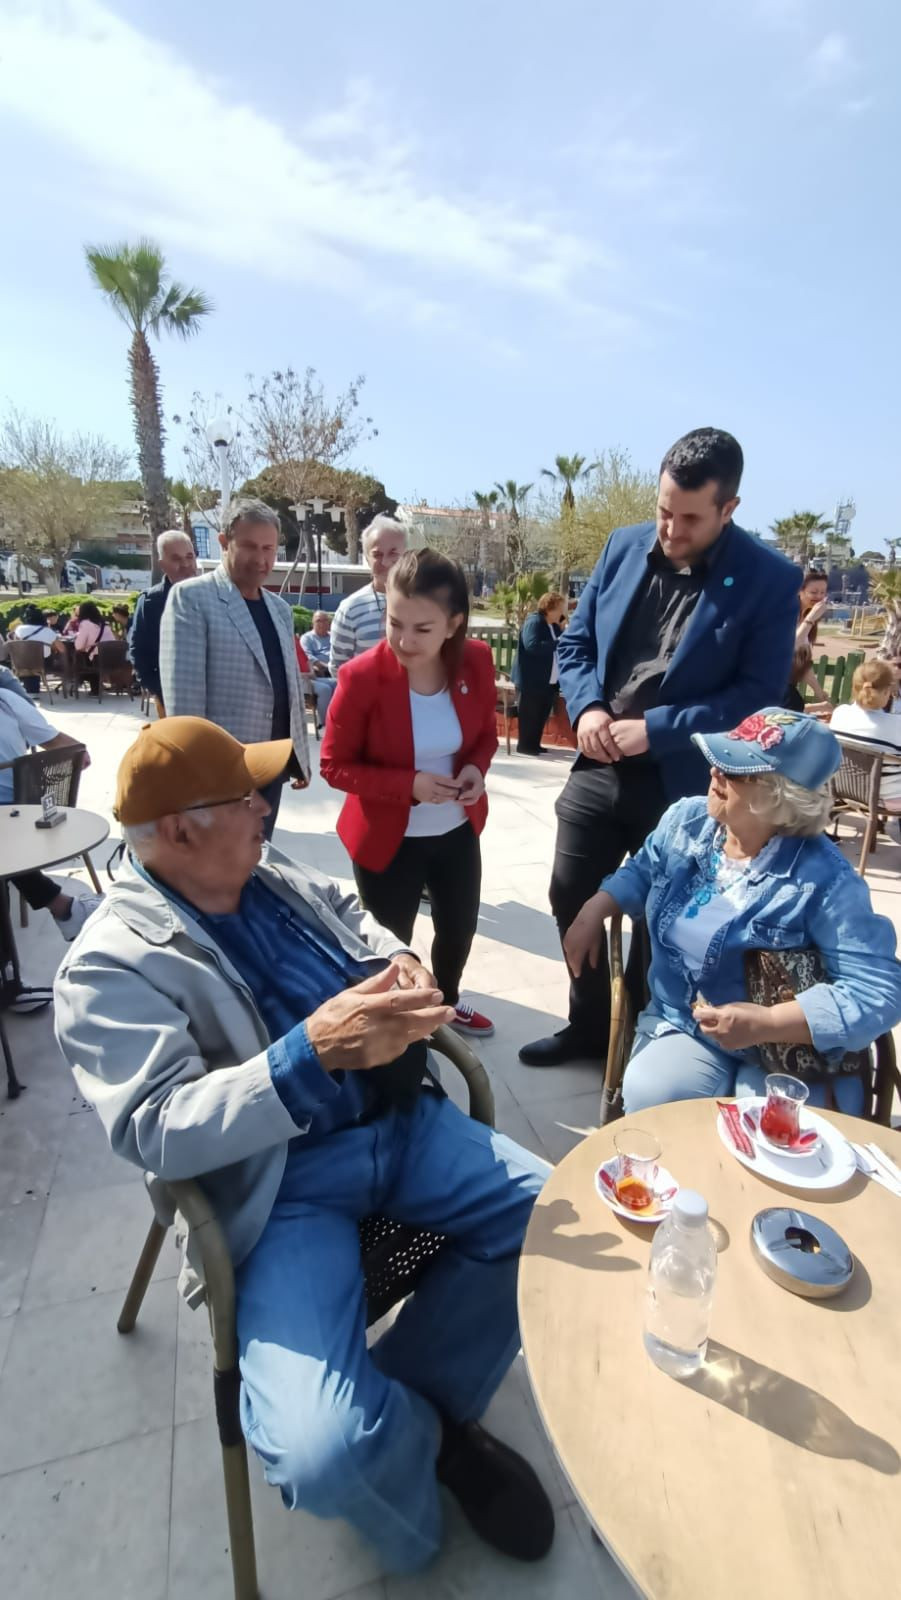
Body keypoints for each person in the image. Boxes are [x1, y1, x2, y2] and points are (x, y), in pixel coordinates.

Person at [53, 716, 553, 1573]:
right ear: (179, 832)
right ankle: (425, 1456)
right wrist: (308, 1055)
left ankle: (426, 1402)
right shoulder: (106, 967)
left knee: (555, 1223)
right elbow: (155, 1126)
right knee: (322, 1454)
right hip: (284, 1187)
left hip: (401, 1122)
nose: (265, 807)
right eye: (243, 796)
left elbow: (354, 914)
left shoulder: (262, 868)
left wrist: (401, 962)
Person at [519, 427, 801, 1069]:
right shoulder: (622, 546)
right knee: (572, 893)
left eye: (690, 519)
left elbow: (757, 695)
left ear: (729, 508)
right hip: (600, 763)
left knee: (664, 918)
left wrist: (659, 727)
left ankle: (643, 1041)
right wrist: (588, 707)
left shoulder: (768, 578)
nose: (670, 530)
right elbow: (577, 644)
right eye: (663, 511)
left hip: (690, 782)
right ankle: (589, 1026)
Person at [563, 710, 901, 1114]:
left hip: (787, 1046)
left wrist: (767, 1022)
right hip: (685, 1022)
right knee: (653, 1098)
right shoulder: (687, 821)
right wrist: (595, 908)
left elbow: (878, 992)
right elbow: (645, 868)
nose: (714, 772)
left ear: (780, 796)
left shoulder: (826, 880)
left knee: (769, 1129)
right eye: (717, 759)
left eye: (734, 769)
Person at [321, 549, 497, 1038]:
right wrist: (409, 785)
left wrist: (476, 770)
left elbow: (485, 735)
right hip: (387, 839)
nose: (404, 640)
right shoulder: (362, 677)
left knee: (458, 929)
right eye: (395, 623)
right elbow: (333, 765)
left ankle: (446, 1006)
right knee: (391, 945)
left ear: (453, 624)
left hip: (456, 830)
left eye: (422, 629)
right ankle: (397, 1028)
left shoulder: (475, 662)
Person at [160, 499, 310, 837]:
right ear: (224, 542)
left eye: (269, 548)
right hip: (222, 775)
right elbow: (184, 708)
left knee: (257, 852)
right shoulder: (192, 599)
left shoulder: (279, 610)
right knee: (221, 861)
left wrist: (298, 757)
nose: (261, 559)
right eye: (249, 546)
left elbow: (288, 686)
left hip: (272, 765)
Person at [0, 688, 102, 991]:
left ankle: (7, 971)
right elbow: (67, 746)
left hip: (17, 816)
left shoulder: (6, 699)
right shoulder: (6, 699)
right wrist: (77, 752)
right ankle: (63, 908)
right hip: (27, 810)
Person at [129, 529, 198, 714]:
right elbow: (138, 651)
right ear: (162, 564)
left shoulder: (214, 595)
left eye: (189, 556)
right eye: (176, 559)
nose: (185, 564)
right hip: (170, 698)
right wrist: (159, 690)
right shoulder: (151, 602)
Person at [329, 516, 407, 675]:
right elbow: (339, 668)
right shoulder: (350, 608)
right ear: (366, 558)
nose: (385, 562)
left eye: (393, 553)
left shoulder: (424, 603)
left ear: (406, 554)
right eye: (377, 554)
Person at [832, 659, 901, 808]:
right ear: (886, 692)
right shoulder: (896, 724)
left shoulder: (839, 713)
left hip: (843, 789)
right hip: (886, 798)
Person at [511, 592, 567, 755]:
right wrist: (558, 642)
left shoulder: (553, 626)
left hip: (548, 681)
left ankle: (534, 744)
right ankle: (525, 746)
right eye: (560, 608)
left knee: (541, 714)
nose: (562, 612)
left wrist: (563, 628)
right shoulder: (534, 621)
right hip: (531, 679)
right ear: (550, 608)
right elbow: (532, 645)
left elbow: (563, 641)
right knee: (530, 714)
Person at [784, 569, 831, 713]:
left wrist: (819, 693)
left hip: (785, 683)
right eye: (814, 592)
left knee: (794, 706)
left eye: (823, 592)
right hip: (767, 680)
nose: (819, 597)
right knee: (791, 708)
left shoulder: (807, 618)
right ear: (800, 591)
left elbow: (803, 662)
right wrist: (810, 619)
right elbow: (789, 648)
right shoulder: (786, 614)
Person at [300, 609, 338, 723]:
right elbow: (308, 656)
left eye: (325, 620)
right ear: (313, 623)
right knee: (326, 689)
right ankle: (325, 723)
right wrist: (325, 665)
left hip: (335, 669)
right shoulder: (307, 638)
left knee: (340, 684)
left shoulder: (333, 636)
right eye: (318, 621)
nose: (322, 623)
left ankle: (337, 718)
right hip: (317, 673)